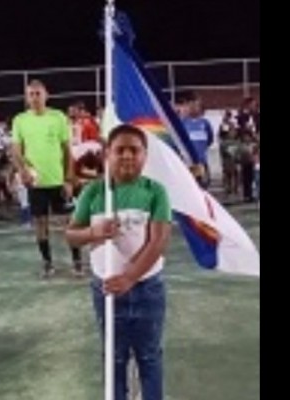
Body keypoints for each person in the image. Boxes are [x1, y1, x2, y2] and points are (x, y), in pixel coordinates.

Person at [66, 124, 172, 400]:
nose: (126, 156)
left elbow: (158, 242)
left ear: (144, 155)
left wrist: (130, 277)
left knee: (149, 356)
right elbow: (71, 235)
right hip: (107, 292)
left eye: (134, 150)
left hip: (147, 289)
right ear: (107, 155)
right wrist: (93, 232)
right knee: (114, 359)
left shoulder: (155, 192)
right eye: (119, 150)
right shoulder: (94, 193)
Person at [10, 80, 83, 279]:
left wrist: (69, 179)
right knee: (40, 224)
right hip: (36, 183)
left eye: (38, 93)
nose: (34, 98)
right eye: (31, 94)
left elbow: (67, 150)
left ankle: (77, 261)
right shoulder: (20, 120)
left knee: (68, 223)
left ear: (46, 95)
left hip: (58, 181)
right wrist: (23, 170)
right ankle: (47, 262)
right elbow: (16, 150)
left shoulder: (58, 117)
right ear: (26, 97)